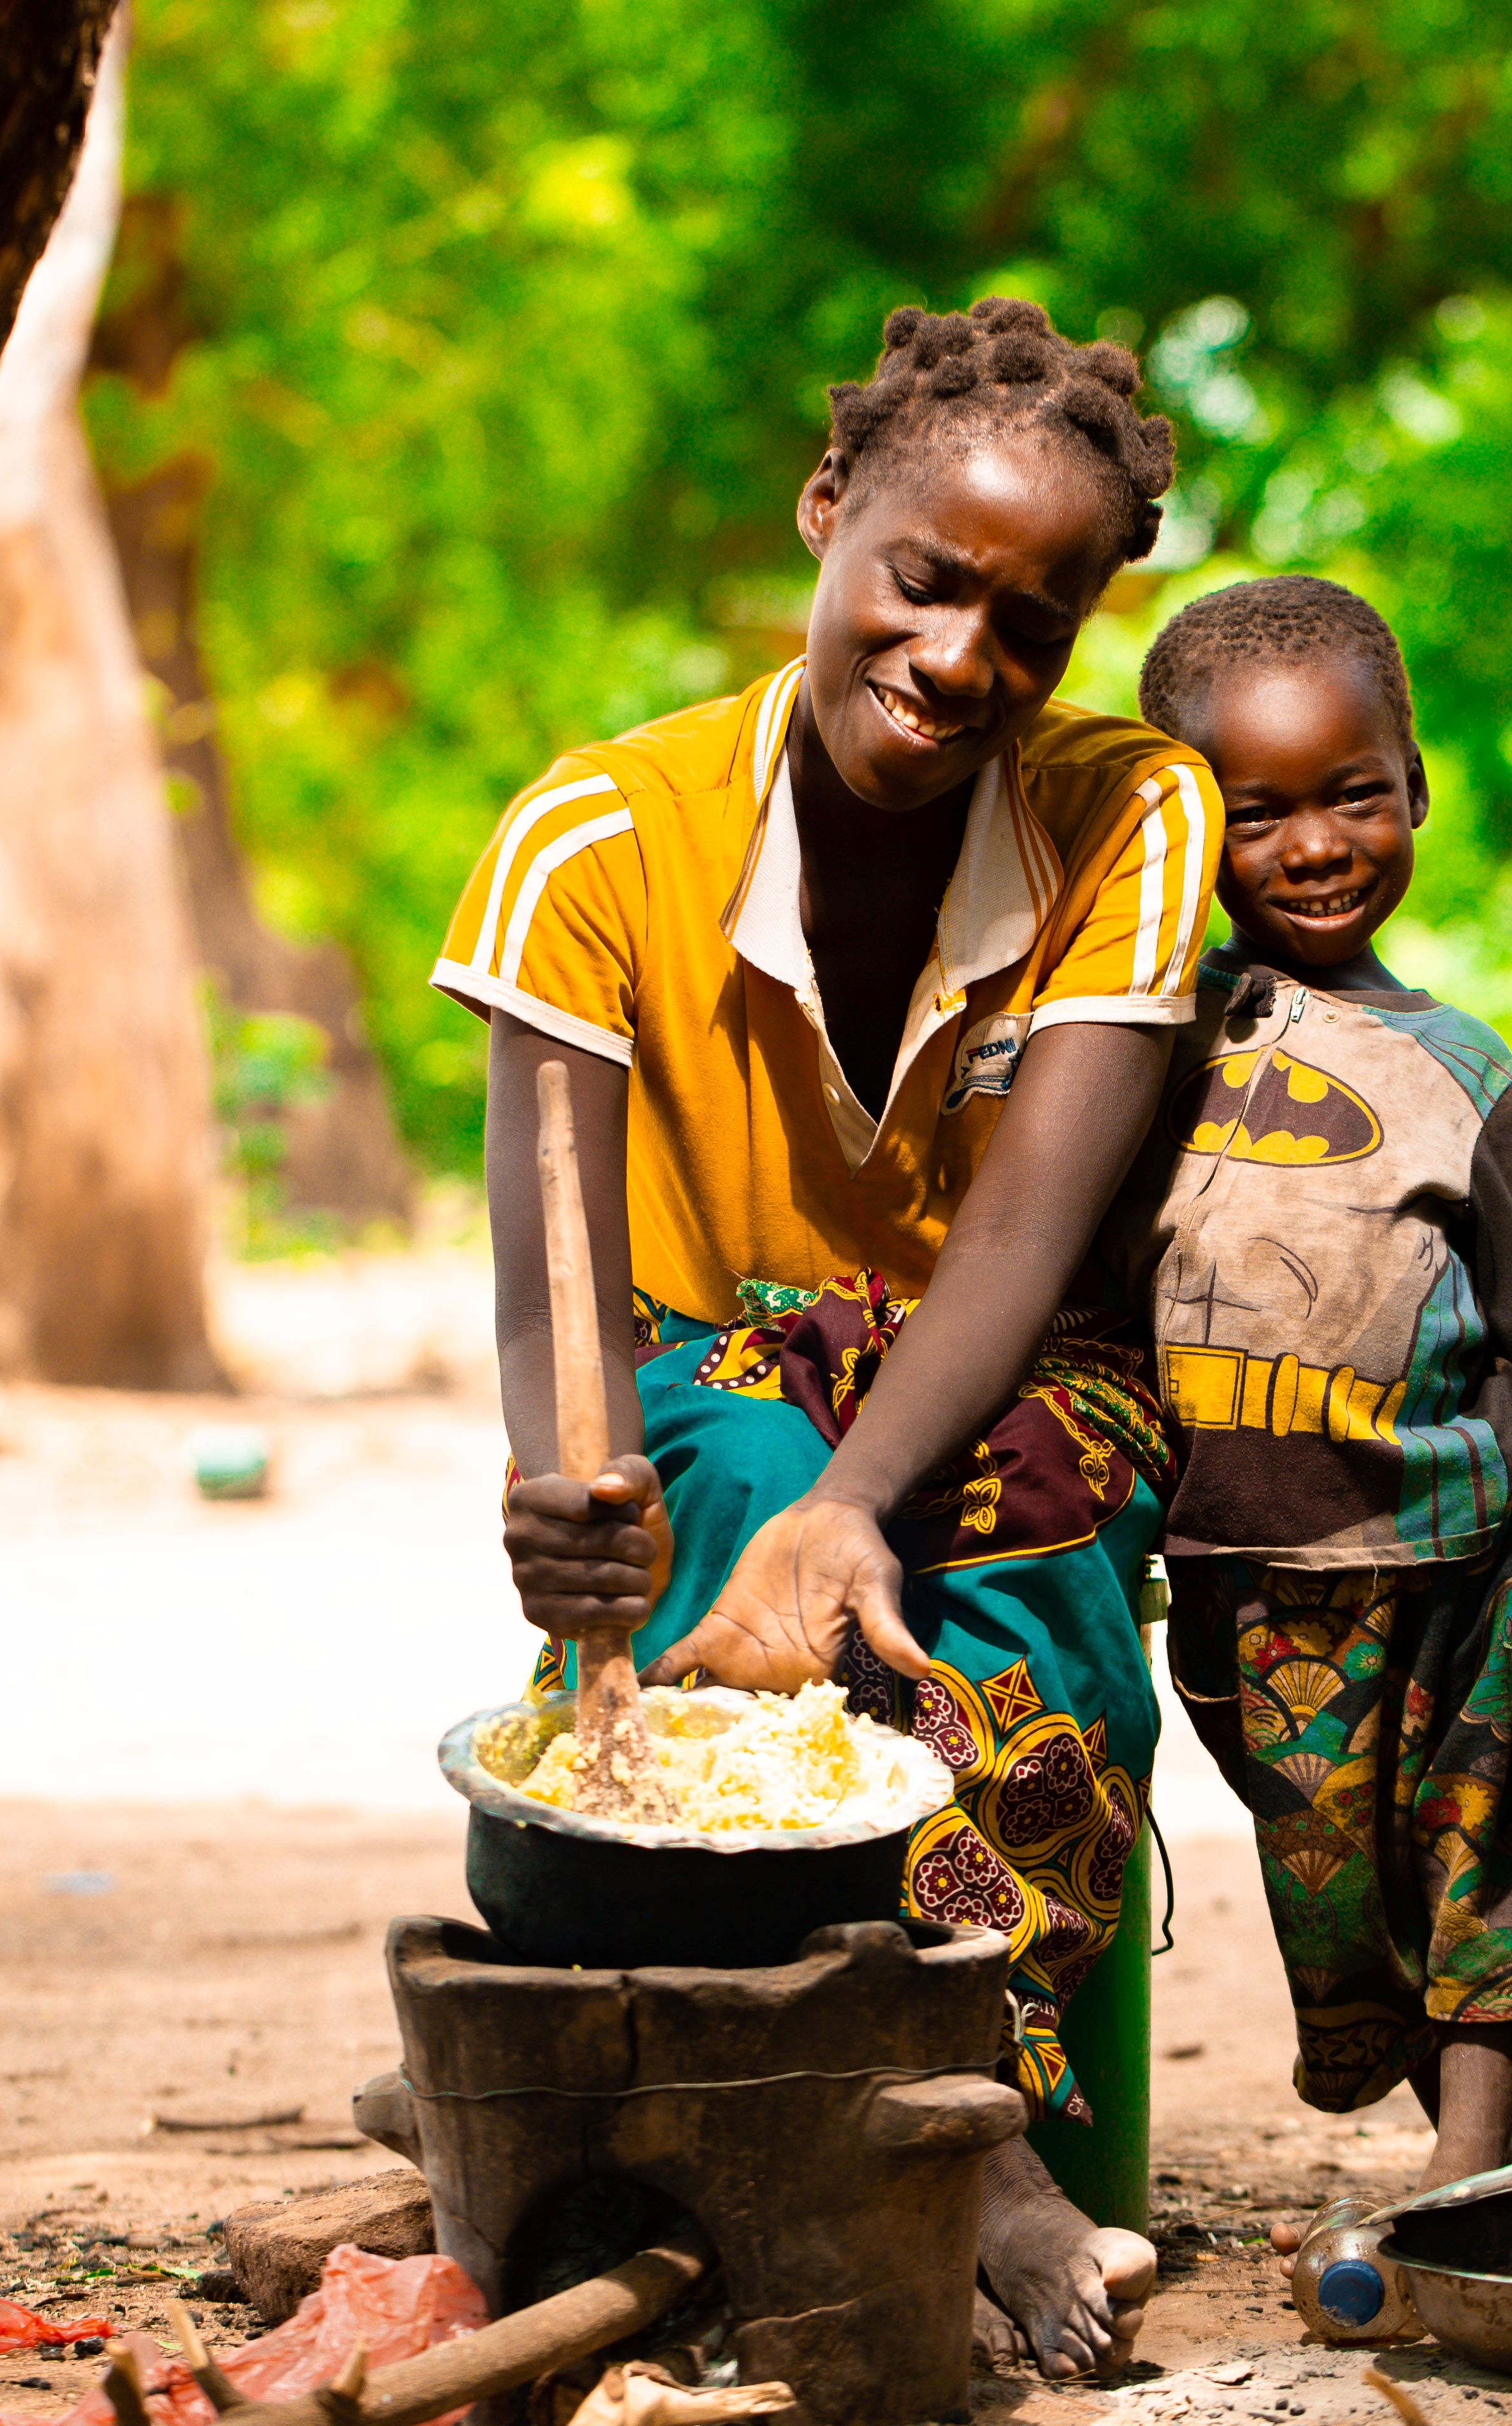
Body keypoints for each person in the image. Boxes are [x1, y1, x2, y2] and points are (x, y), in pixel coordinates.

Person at [430, 299, 1218, 2380]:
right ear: (824, 517)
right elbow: (558, 1291)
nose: (961, 658)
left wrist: (865, 1503)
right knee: (739, 1480)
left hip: (989, 1364)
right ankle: (968, 2173)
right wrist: (570, 1495)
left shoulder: (1132, 814)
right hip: (702, 1367)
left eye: (1031, 628)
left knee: (1026, 1522)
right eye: (923, 580)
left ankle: (979, 2111)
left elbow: (1030, 1242)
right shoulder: (594, 841)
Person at [1107, 576, 1512, 2219]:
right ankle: (1463, 2148)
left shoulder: (1459, 1067)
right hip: (1257, 1589)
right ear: (1186, 826)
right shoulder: (1135, 1051)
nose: (1317, 844)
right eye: (1257, 815)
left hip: (1463, 1552)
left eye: (1356, 796)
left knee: (1487, 1869)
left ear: (1415, 788)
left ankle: (1473, 2163)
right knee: (1335, 1907)